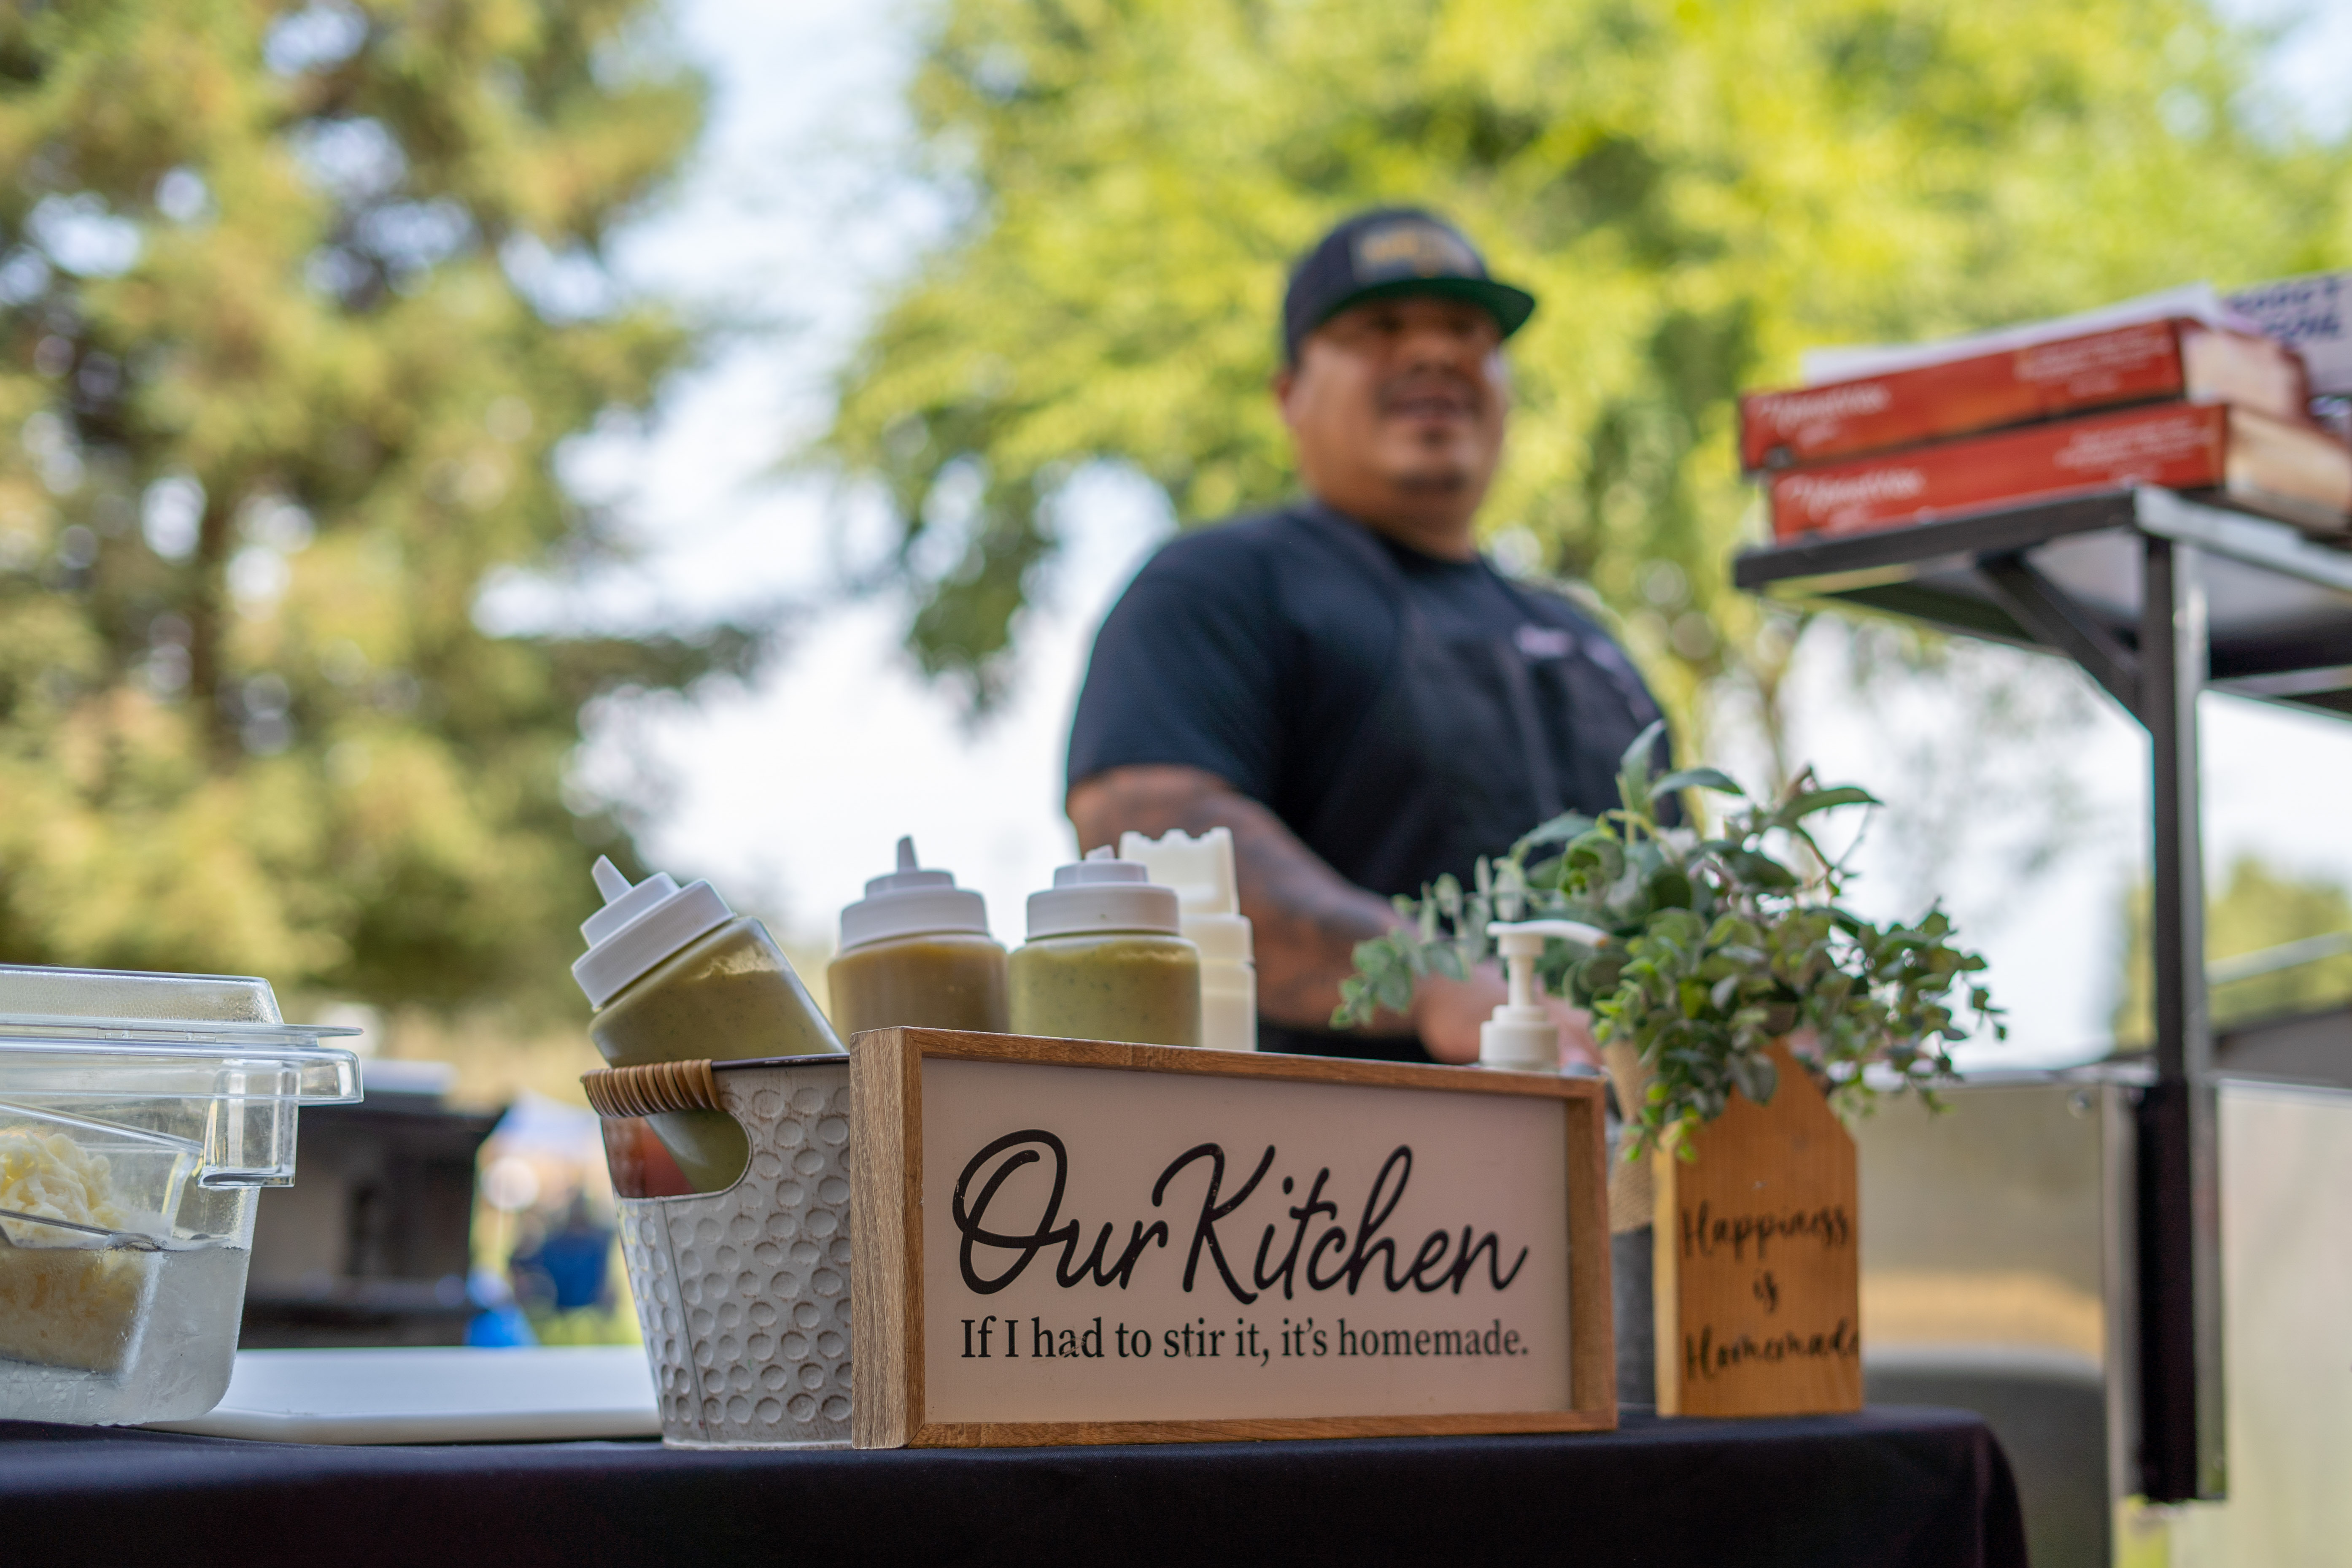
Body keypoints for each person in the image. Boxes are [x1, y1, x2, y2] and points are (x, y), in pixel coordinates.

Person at [1065, 207, 1673, 1066]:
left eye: (1467, 331)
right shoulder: (1218, 586)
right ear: (1290, 395)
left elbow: (1684, 889)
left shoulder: (1587, 641)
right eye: (1377, 328)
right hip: (1344, 1180)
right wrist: (1433, 980)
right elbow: (1150, 848)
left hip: (1631, 1167)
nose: (1433, 354)